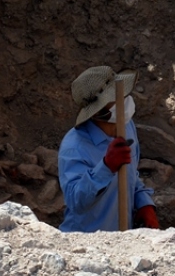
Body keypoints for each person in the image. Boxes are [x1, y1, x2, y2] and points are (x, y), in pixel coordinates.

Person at [58, 66, 159, 232]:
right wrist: (106, 167)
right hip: (87, 245)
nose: (126, 98)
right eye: (117, 96)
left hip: (122, 240)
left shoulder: (127, 127)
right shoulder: (74, 147)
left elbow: (131, 175)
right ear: (99, 111)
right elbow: (76, 201)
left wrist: (144, 204)